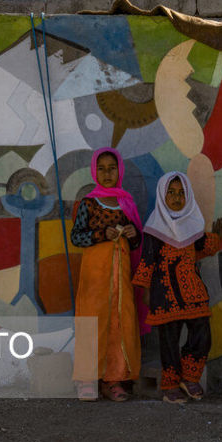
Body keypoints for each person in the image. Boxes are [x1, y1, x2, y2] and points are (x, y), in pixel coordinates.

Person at [133, 172, 222, 404]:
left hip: (193, 291)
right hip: (164, 293)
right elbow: (147, 259)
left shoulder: (192, 223)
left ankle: (190, 376)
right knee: (169, 340)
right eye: (171, 193)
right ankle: (170, 385)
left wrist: (215, 238)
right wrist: (145, 290)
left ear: (188, 196)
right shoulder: (154, 227)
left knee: (202, 333)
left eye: (181, 193)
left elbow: (201, 247)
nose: (176, 197)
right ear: (162, 196)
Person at [70, 148, 143, 401]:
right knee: (93, 322)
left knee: (118, 324)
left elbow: (136, 244)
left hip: (120, 278)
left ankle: (113, 380)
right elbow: (76, 237)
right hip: (94, 277)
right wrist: (102, 234)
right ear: (94, 171)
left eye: (112, 167)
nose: (107, 173)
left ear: (119, 170)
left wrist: (134, 235)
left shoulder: (126, 202)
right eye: (101, 168)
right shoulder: (88, 203)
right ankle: (87, 379)